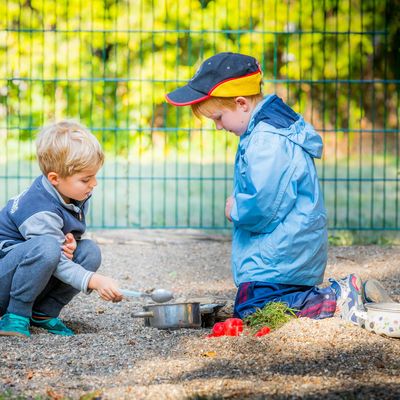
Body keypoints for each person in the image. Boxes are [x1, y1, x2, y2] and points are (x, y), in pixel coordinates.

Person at [165, 52, 373, 325]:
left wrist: (235, 208)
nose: (217, 126)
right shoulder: (265, 130)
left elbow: (262, 207)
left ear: (241, 103)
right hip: (284, 254)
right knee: (249, 302)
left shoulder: (267, 140)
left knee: (253, 310)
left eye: (217, 117)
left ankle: (337, 296)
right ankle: (317, 296)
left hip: (279, 257)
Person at [0, 120, 122, 338]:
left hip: (29, 270)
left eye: (94, 176)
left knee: (89, 251)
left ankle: (43, 314)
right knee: (47, 247)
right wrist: (94, 280)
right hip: (4, 282)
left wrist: (69, 242)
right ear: (55, 178)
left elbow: (58, 242)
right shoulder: (39, 209)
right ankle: (15, 315)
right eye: (86, 179)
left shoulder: (74, 193)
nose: (94, 183)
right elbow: (47, 251)